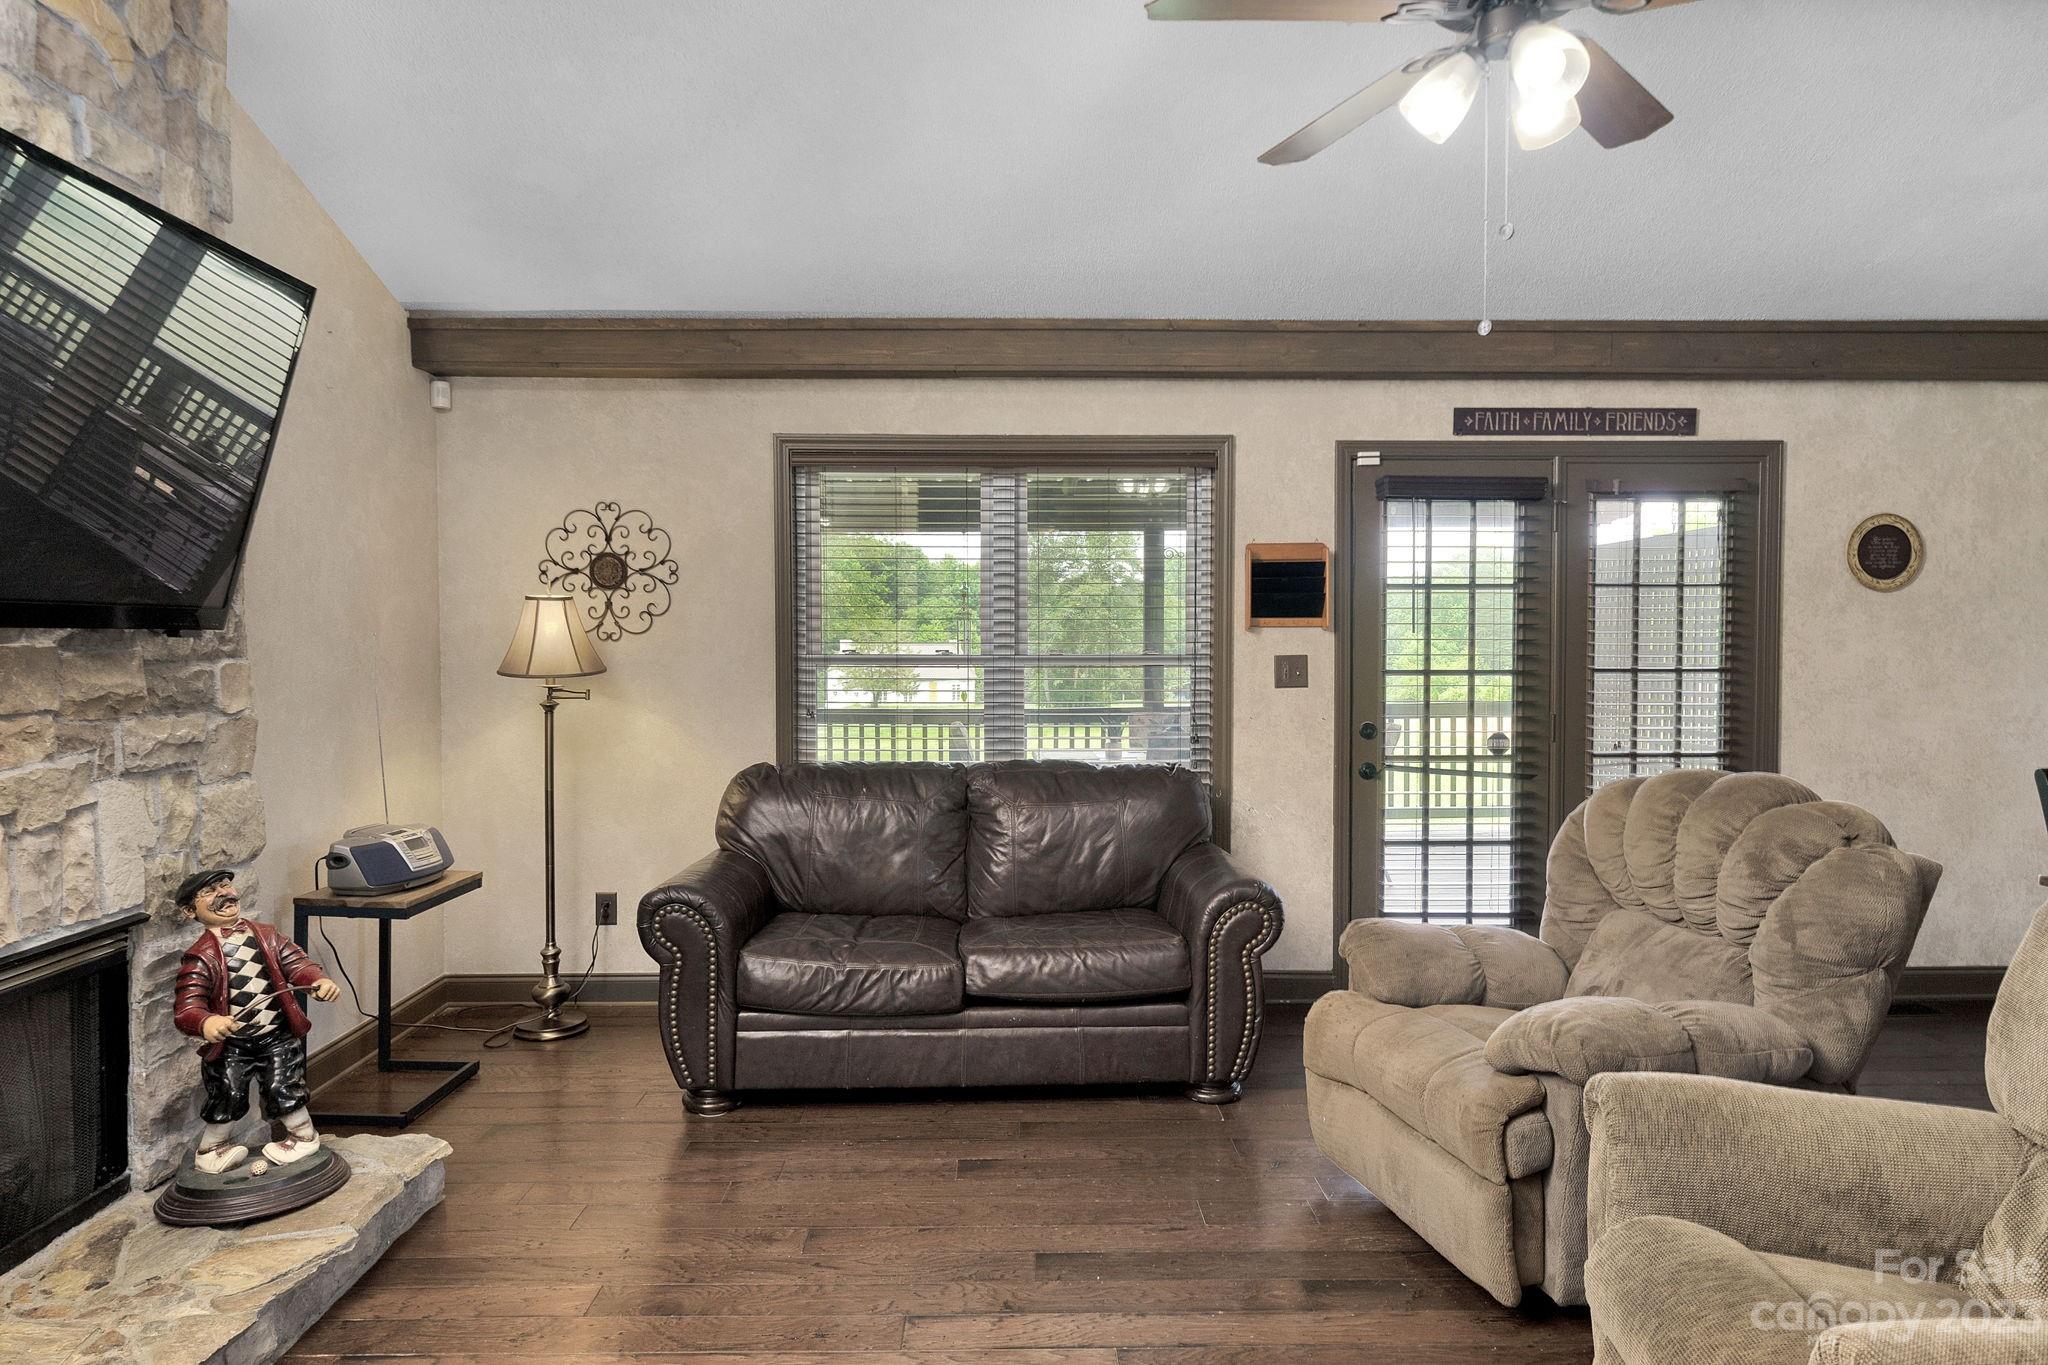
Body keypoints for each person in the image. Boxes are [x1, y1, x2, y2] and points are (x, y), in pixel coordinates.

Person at [170, 869, 340, 1175]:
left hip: (276, 1033)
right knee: (227, 1091)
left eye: (224, 885)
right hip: (232, 1044)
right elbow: (187, 1006)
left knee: (283, 1084)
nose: (223, 893)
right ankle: (210, 1149)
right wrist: (206, 1022)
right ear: (189, 911)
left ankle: (303, 1137)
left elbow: (297, 963)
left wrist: (317, 980)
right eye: (209, 892)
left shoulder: (267, 936)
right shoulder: (200, 957)